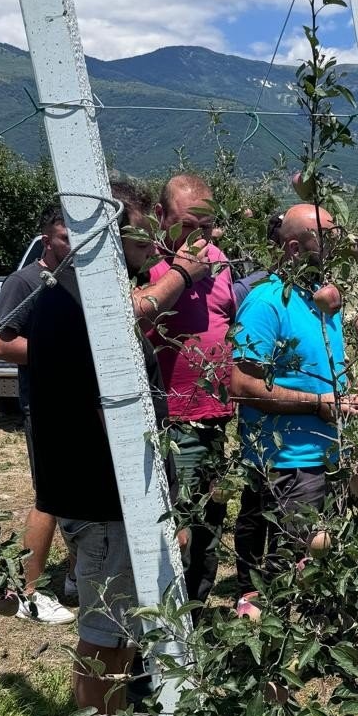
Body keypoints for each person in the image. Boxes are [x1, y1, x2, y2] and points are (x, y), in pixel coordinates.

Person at [27, 181, 199, 716]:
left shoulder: (70, 296)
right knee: (106, 634)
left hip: (103, 495)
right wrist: (158, 499)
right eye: (135, 230)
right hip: (105, 500)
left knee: (119, 631)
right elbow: (114, 418)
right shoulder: (82, 306)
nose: (146, 241)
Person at [230, 203, 358, 608]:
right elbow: (242, 384)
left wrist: (351, 395)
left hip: (328, 455)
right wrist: (318, 404)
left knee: (311, 568)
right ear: (293, 248)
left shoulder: (324, 302)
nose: (339, 245)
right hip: (286, 462)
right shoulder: (267, 302)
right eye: (326, 237)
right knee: (283, 570)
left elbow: (328, 372)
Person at [147, 173, 234, 605]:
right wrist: (182, 273)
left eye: (206, 226)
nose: (199, 237)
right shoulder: (147, 266)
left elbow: (230, 325)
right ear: (160, 217)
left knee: (208, 529)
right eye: (187, 224)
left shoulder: (220, 261)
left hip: (215, 420)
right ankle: (163, 642)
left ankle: (194, 628)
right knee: (173, 531)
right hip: (172, 424)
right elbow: (135, 322)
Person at [0, 205, 76, 625]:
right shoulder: (24, 282)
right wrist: (65, 350)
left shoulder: (77, 281)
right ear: (47, 239)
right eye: (64, 237)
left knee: (82, 490)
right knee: (51, 496)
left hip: (81, 404)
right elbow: (1, 347)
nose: (72, 244)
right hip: (45, 405)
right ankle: (27, 592)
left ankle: (78, 576)